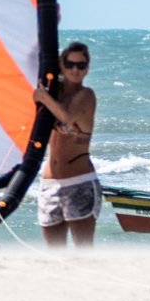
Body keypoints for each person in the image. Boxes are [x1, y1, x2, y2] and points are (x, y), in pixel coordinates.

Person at [32, 42, 99, 249]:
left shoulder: (86, 96)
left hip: (79, 182)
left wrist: (43, 96)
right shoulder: (55, 93)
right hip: (50, 184)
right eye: (70, 64)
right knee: (54, 253)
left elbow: (68, 117)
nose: (75, 70)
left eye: (81, 65)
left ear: (87, 68)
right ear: (61, 65)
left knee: (83, 251)